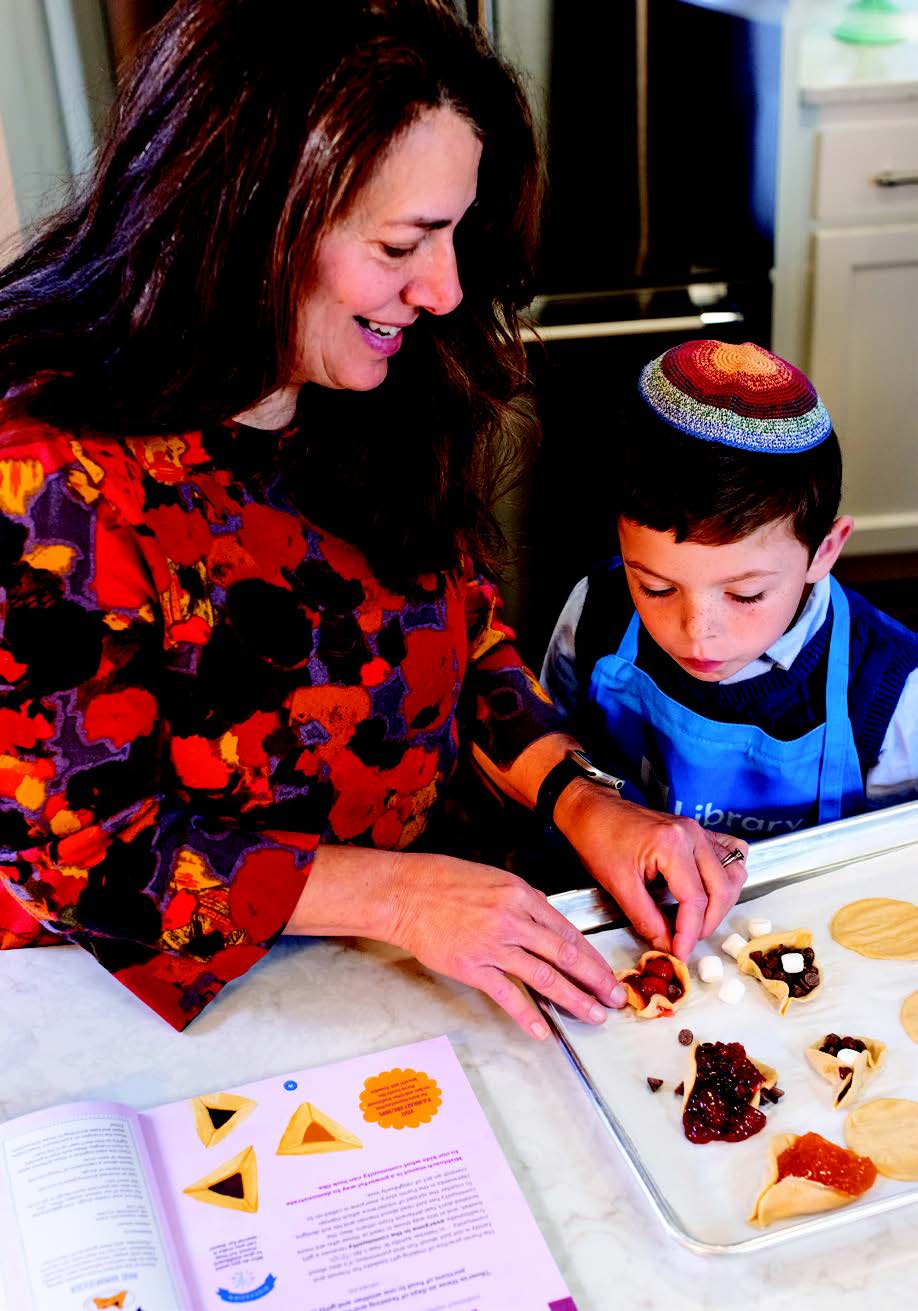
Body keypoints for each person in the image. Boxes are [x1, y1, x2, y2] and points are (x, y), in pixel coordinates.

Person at [0, 0, 746, 1035]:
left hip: (391, 954)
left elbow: (457, 629)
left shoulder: (368, 386)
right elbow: (87, 855)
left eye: (454, 234)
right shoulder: (44, 478)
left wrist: (582, 802)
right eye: (406, 241)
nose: (442, 289)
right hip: (128, 1007)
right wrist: (397, 895)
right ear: (253, 215)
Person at [542, 339, 918, 840]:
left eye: (745, 596)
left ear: (824, 552)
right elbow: (546, 756)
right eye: (654, 588)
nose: (698, 635)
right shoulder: (593, 614)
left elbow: (892, 857)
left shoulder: (891, 692)